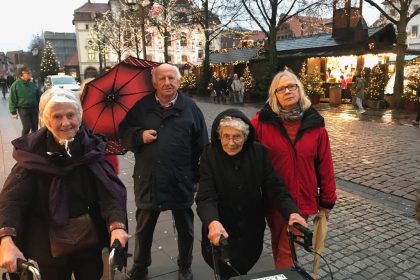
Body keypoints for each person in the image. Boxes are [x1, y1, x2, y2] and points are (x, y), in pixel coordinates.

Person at [0, 88, 129, 279]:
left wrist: (116, 224)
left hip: (88, 242)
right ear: (45, 119)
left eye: (71, 115)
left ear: (80, 115)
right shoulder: (31, 155)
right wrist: (6, 239)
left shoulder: (91, 149)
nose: (65, 123)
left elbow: (108, 194)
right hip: (46, 244)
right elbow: (12, 201)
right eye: (57, 116)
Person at [119, 63, 209, 280]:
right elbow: (124, 133)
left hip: (181, 178)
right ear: (154, 82)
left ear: (179, 81)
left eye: (172, 78)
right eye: (162, 78)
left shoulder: (191, 109)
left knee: (186, 228)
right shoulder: (141, 107)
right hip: (149, 178)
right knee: (144, 228)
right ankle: (140, 266)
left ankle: (185, 266)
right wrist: (139, 137)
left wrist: (199, 177)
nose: (167, 82)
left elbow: (202, 146)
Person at [195, 109, 307, 280]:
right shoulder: (210, 154)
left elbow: (275, 187)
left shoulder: (259, 153)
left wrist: (292, 212)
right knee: (225, 271)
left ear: (246, 136)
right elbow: (206, 195)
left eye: (237, 136)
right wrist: (212, 221)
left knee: (244, 269)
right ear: (219, 136)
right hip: (221, 227)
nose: (231, 142)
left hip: (251, 229)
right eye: (226, 136)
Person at [251, 70, 337, 269]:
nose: (288, 91)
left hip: (302, 198)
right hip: (273, 198)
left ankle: (284, 274)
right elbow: (241, 144)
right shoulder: (261, 122)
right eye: (281, 88)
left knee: (287, 250)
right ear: (274, 95)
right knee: (278, 245)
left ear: (300, 90)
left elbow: (325, 164)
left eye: (292, 86)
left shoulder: (315, 124)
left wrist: (328, 200)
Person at [9, 67, 42, 136]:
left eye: (30, 73)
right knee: (27, 127)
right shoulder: (15, 85)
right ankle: (23, 142)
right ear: (21, 74)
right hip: (23, 109)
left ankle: (34, 141)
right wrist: (13, 112)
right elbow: (12, 99)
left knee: (35, 127)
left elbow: (39, 96)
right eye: (28, 73)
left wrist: (41, 107)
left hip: (34, 108)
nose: (30, 74)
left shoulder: (32, 85)